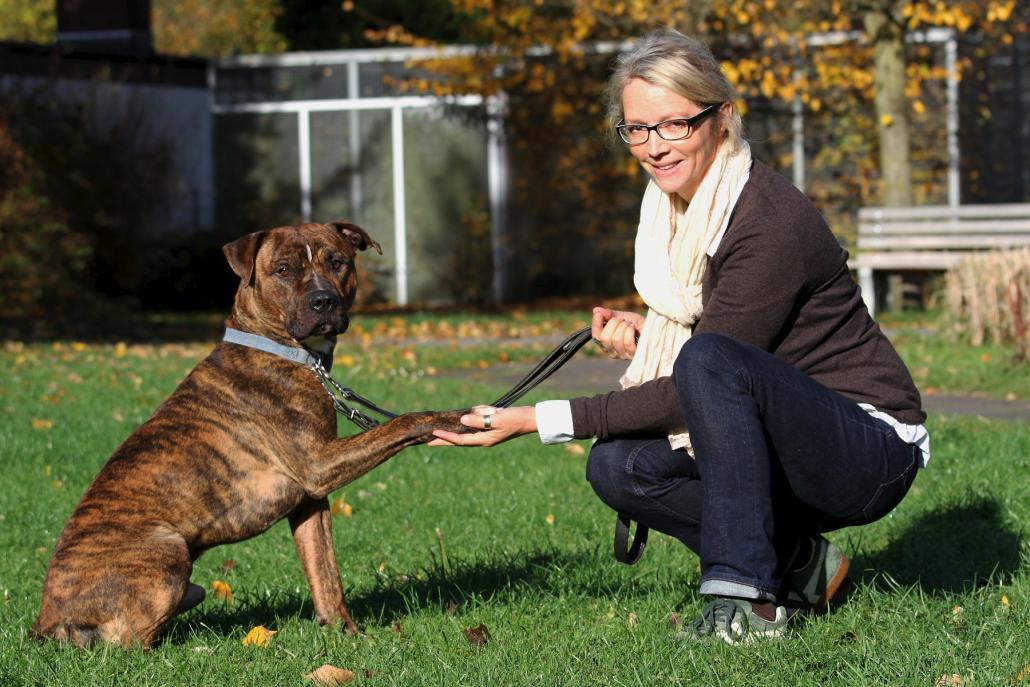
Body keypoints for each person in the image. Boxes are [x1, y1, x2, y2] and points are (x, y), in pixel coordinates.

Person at [430, 27, 929, 645]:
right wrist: (652, 340)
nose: (653, 147)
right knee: (619, 466)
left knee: (709, 360)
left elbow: (711, 366)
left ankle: (745, 602)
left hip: (868, 448)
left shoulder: (766, 219)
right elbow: (724, 345)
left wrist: (536, 420)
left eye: (674, 125)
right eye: (636, 129)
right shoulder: (675, 211)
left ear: (721, 118)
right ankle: (802, 563)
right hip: (787, 433)